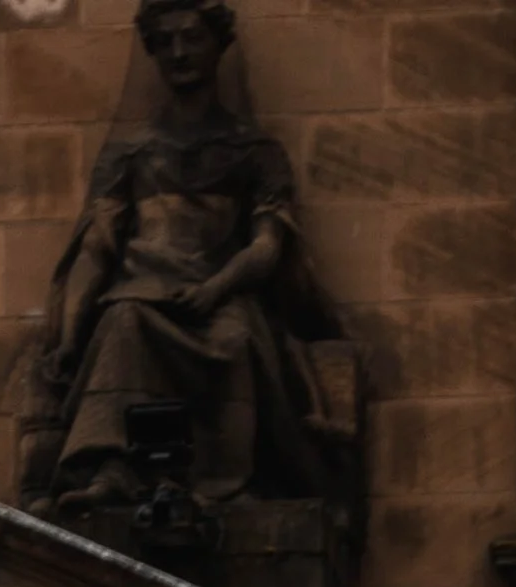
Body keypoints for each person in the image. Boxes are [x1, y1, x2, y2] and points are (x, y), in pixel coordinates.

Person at [31, 0, 346, 524]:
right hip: (143, 292)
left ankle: (228, 485)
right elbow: (97, 248)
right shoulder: (130, 156)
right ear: (152, 50)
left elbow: (267, 247)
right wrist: (67, 335)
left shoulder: (254, 152)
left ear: (217, 45)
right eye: (167, 41)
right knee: (122, 321)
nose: (179, 52)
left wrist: (216, 288)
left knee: (236, 339)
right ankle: (112, 470)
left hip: (222, 295)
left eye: (192, 38)